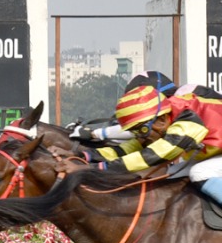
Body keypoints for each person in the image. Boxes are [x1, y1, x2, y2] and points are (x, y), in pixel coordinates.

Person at [90, 81, 222, 205]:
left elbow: (154, 155)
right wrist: (87, 156)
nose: (140, 138)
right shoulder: (165, 117)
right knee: (172, 174)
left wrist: (95, 169)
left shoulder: (188, 120)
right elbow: (130, 148)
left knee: (199, 172)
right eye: (135, 132)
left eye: (142, 130)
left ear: (162, 119)